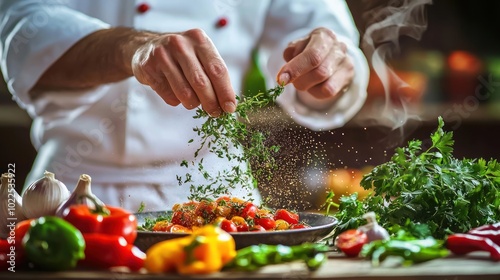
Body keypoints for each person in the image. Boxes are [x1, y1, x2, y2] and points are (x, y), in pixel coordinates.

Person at [0, 0, 369, 212]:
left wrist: (327, 67)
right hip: (73, 189)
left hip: (219, 193)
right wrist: (130, 48)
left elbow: (327, 35)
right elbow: (23, 28)